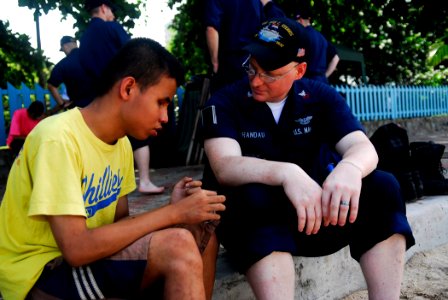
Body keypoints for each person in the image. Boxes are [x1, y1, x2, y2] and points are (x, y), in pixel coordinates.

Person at [201, 17, 415, 299]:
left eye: (269, 74)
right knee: (250, 197)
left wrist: (349, 169)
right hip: (257, 225)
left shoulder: (319, 96)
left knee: (383, 186)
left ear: (299, 70)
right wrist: (287, 173)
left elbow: (363, 148)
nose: (255, 79)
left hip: (316, 216)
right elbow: (224, 166)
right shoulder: (225, 100)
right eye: (251, 67)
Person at [0, 38, 226, 300]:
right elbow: (76, 249)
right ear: (128, 88)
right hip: (39, 274)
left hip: (86, 267)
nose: (165, 117)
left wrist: (180, 214)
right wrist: (171, 213)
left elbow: (120, 227)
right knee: (177, 245)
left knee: (203, 234)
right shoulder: (58, 138)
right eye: (161, 102)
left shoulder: (120, 146)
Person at [204, 0, 284, 92]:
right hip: (251, 63)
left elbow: (211, 29)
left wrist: (215, 63)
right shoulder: (257, 2)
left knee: (224, 102)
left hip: (227, 65)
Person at [79, 0, 130, 84]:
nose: (113, 15)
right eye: (111, 10)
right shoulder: (112, 27)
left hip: (97, 92)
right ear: (104, 8)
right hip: (120, 86)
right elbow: (134, 53)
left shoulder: (83, 38)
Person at [295, 3, 340, 84]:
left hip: (306, 82)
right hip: (322, 82)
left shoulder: (301, 36)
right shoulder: (322, 38)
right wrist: (325, 76)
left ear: (300, 20)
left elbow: (296, 58)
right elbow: (336, 58)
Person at [47, 36, 95, 109]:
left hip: (79, 109)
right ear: (75, 44)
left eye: (62, 50)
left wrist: (62, 104)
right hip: (101, 106)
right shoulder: (93, 56)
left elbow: (51, 86)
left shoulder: (62, 65)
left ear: (64, 46)